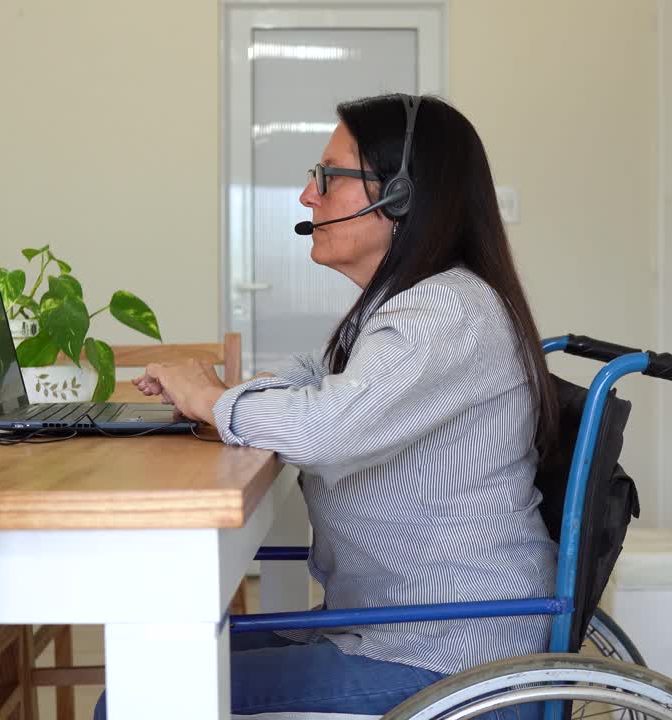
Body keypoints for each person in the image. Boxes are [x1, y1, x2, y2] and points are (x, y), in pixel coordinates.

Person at [96, 93, 559, 718]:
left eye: (329, 177)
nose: (306, 196)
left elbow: (324, 429)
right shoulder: (406, 304)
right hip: (394, 626)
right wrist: (220, 397)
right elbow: (316, 379)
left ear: (400, 196)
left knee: (138, 698)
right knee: (152, 667)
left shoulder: (446, 312)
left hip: (450, 651)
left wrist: (211, 397)